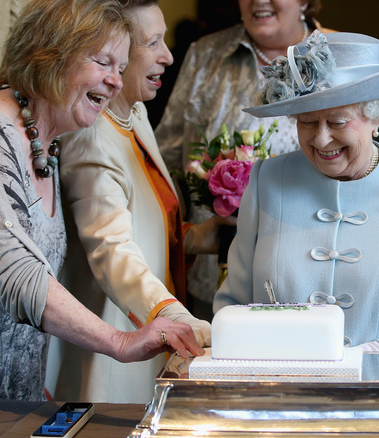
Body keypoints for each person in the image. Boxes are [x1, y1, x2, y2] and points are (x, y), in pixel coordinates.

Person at [0, 0, 202, 401]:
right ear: (51, 54)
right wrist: (120, 341)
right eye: (103, 62)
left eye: (120, 66)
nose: (115, 81)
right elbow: (17, 274)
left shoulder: (46, 145)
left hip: (9, 401)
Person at [212, 31, 379, 392]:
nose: (321, 139)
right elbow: (231, 307)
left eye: (338, 121)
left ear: (376, 118)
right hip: (281, 402)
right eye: (307, 122)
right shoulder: (268, 180)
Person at [48, 0, 233, 403]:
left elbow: (143, 226)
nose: (167, 56)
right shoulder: (90, 134)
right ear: (111, 52)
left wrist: (200, 237)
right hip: (114, 353)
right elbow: (112, 250)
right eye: (152, 43)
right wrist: (173, 315)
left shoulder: (134, 115)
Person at [155, 0, 331, 317]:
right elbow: (167, 157)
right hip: (216, 273)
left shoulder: (338, 54)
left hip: (311, 273)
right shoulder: (205, 54)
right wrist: (183, 237)